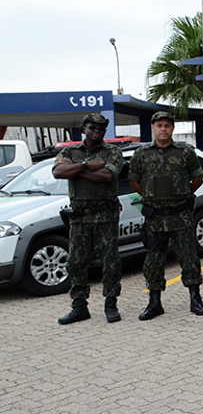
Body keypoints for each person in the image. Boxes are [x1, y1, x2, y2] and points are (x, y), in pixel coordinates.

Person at [129, 111, 203, 320]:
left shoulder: (185, 151)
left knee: (188, 257)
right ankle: (154, 303)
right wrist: (149, 196)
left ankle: (195, 299)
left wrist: (185, 194)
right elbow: (134, 181)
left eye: (167, 125)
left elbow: (197, 178)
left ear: (172, 129)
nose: (163, 129)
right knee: (153, 260)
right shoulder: (142, 153)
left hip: (180, 215)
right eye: (159, 125)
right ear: (153, 128)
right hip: (155, 217)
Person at [52, 113, 125, 324]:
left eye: (101, 128)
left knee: (110, 263)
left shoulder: (112, 151)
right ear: (84, 128)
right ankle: (79, 307)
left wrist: (73, 169)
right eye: (93, 127)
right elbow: (57, 172)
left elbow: (107, 176)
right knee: (76, 263)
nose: (97, 131)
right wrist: (86, 165)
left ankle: (110, 304)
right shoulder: (69, 150)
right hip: (79, 219)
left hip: (105, 216)